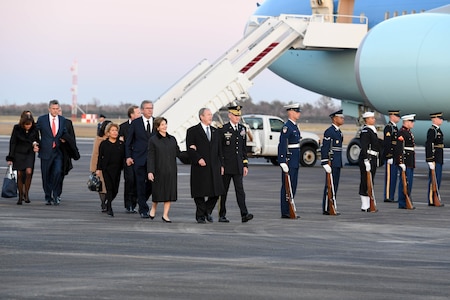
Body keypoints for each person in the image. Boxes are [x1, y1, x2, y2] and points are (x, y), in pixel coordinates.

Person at [186, 107, 225, 224]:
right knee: (200, 192)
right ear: (201, 117)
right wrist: (198, 159)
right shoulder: (192, 131)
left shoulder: (215, 131)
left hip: (214, 166)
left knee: (217, 192)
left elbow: (220, 150)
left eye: (211, 114)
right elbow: (190, 149)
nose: (210, 116)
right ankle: (200, 216)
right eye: (208, 114)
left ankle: (206, 211)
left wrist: (222, 165)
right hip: (200, 167)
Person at [218, 105, 253, 223]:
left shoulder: (242, 129)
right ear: (229, 115)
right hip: (226, 166)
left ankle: (244, 214)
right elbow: (220, 149)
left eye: (239, 115)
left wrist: (245, 164)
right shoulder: (223, 129)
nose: (238, 117)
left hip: (238, 165)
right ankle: (221, 214)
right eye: (235, 115)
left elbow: (243, 149)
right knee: (223, 192)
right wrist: (221, 165)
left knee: (240, 191)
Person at [147, 117, 183, 223]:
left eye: (165, 124)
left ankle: (165, 215)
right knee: (158, 192)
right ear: (157, 127)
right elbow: (151, 157)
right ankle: (153, 208)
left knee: (169, 193)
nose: (165, 126)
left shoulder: (172, 139)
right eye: (162, 124)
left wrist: (191, 153)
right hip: (159, 170)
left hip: (171, 170)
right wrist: (150, 171)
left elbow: (179, 153)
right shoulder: (153, 140)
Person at [125, 100, 155, 218]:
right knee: (140, 184)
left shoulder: (157, 122)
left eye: (151, 108)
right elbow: (129, 142)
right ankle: (143, 209)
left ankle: (140, 200)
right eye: (147, 108)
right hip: (139, 158)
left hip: (153, 160)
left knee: (152, 185)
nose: (150, 110)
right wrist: (128, 156)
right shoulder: (136, 123)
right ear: (142, 110)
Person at [35, 99, 67, 205]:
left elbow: (65, 133)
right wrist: (36, 143)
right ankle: (48, 196)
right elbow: (34, 133)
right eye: (53, 109)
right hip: (45, 151)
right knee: (46, 175)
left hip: (57, 152)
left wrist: (64, 140)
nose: (55, 111)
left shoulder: (62, 120)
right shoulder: (42, 119)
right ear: (49, 109)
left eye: (57, 109)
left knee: (58, 172)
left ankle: (56, 195)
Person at [6, 111, 40, 204]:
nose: (28, 126)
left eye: (30, 124)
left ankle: (26, 194)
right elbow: (13, 142)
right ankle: (20, 196)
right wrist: (10, 157)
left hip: (29, 153)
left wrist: (37, 145)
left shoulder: (35, 129)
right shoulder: (17, 128)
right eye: (26, 124)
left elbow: (37, 139)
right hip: (18, 153)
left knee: (29, 172)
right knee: (20, 174)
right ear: (23, 123)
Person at [278, 103, 302, 219]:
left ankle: (290, 207)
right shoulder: (287, 127)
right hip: (289, 159)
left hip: (295, 159)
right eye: (297, 111)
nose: (299, 113)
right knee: (287, 185)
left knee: (293, 185)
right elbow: (282, 144)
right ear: (291, 112)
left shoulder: (295, 126)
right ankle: (285, 210)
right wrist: (282, 160)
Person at [96, 123, 125, 217]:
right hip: (106, 169)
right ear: (108, 133)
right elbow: (100, 157)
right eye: (112, 130)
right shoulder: (104, 144)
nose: (115, 132)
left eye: (116, 130)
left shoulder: (121, 144)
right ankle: (109, 207)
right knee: (109, 188)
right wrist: (98, 169)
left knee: (115, 190)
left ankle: (108, 201)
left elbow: (124, 157)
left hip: (117, 169)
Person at [320, 109, 344, 215]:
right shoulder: (329, 131)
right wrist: (325, 162)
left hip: (337, 162)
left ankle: (332, 205)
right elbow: (325, 148)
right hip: (331, 162)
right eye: (340, 117)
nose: (342, 119)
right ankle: (327, 207)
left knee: (335, 185)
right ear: (334, 119)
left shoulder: (339, 132)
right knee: (329, 185)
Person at [119, 105, 141, 213]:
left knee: (138, 181)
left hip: (139, 158)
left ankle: (135, 203)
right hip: (127, 158)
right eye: (137, 113)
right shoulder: (123, 127)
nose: (139, 115)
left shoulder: (142, 126)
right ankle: (128, 204)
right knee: (130, 181)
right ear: (131, 115)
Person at [358, 111, 381, 212]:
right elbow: (364, 147)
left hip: (373, 157)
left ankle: (369, 203)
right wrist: (366, 160)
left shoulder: (372, 130)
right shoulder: (366, 131)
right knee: (365, 180)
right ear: (366, 120)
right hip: (368, 157)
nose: (374, 119)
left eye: (373, 118)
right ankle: (365, 205)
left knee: (370, 181)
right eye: (371, 118)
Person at [90, 120, 111, 212]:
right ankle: (104, 203)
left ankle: (107, 202)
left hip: (111, 166)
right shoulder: (99, 139)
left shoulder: (115, 138)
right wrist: (94, 168)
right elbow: (95, 154)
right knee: (102, 187)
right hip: (101, 166)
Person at [58, 108, 80, 199]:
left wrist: (73, 152)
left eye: (59, 110)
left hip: (64, 152)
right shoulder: (48, 122)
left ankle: (57, 194)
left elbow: (72, 138)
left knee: (61, 173)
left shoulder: (67, 122)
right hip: (53, 151)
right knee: (53, 173)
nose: (57, 112)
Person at [396, 114, 416, 209]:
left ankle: (407, 200)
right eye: (411, 122)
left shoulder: (408, 132)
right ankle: (402, 202)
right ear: (406, 122)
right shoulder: (401, 133)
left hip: (410, 161)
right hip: (405, 161)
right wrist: (401, 162)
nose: (413, 123)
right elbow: (399, 149)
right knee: (404, 182)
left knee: (409, 182)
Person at [425, 112, 444, 207]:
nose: (441, 120)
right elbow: (429, 145)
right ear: (434, 119)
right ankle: (431, 199)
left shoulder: (438, 130)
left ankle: (436, 197)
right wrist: (429, 159)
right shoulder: (432, 131)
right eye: (439, 118)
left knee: (438, 179)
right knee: (433, 180)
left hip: (439, 158)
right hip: (435, 158)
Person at [383, 110, 401, 203]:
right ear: (392, 116)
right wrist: (389, 155)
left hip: (395, 155)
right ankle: (388, 196)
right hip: (391, 155)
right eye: (397, 116)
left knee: (394, 177)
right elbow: (387, 143)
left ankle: (391, 195)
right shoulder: (389, 127)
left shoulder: (395, 128)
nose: (398, 117)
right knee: (390, 177)